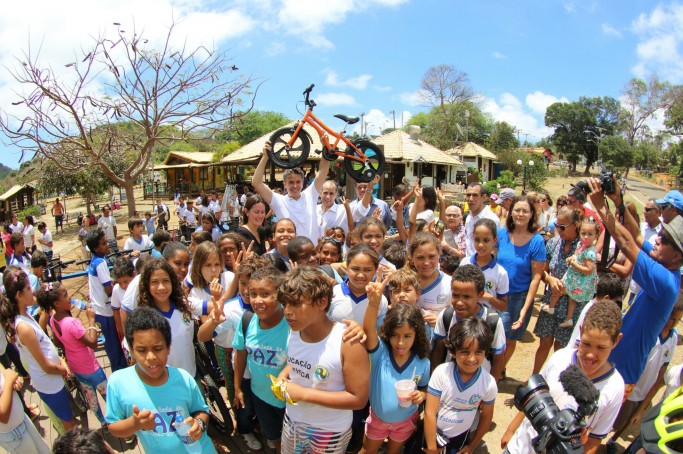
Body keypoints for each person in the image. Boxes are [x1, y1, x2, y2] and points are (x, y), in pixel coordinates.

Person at [587, 176, 683, 398]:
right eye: (660, 235)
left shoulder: (665, 280)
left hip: (621, 370)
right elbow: (638, 236)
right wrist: (619, 203)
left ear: (678, 255)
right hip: (618, 361)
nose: (657, 240)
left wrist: (601, 206)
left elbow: (628, 243)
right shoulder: (666, 265)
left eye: (665, 240)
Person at [502, 300, 625, 454]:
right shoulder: (560, 358)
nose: (591, 354)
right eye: (586, 344)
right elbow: (536, 397)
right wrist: (511, 429)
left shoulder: (615, 388)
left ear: (616, 341)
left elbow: (594, 441)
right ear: (580, 331)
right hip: (519, 448)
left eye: (601, 347)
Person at [277, 266, 370, 454]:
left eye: (295, 303)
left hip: (329, 431)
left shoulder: (348, 342)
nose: (287, 311)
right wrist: (283, 375)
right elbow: (297, 362)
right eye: (284, 304)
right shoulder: (294, 330)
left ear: (322, 302)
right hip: (292, 421)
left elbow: (358, 399)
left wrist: (303, 394)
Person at [105, 307, 217, 453]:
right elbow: (113, 426)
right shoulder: (118, 383)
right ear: (131, 350)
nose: (151, 357)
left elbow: (201, 410)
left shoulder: (183, 378)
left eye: (158, 348)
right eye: (142, 350)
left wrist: (199, 423)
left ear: (168, 348)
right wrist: (135, 423)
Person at [199, 255, 270, 450]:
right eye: (243, 283)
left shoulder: (273, 305)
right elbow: (203, 336)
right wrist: (214, 321)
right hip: (236, 360)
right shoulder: (231, 310)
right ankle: (244, 429)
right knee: (240, 397)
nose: (247, 291)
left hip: (266, 366)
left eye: (253, 284)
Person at [0, 269, 75, 432]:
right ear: (19, 295)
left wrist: (60, 361)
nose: (32, 290)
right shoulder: (23, 326)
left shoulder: (24, 315)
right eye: (28, 288)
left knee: (68, 419)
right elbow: (46, 366)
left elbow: (40, 339)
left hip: (53, 378)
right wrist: (64, 368)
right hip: (50, 382)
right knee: (70, 424)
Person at [362, 274, 430, 454]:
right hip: (377, 420)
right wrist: (373, 303)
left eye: (407, 336)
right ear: (387, 333)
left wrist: (421, 396)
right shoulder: (380, 353)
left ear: (417, 335)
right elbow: (368, 329)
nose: (400, 342)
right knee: (368, 450)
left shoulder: (422, 362)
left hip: (406, 422)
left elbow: (425, 388)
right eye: (395, 335)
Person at [606, 301, 683, 453]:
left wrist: (655, 384)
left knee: (628, 419)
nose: (674, 323)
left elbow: (664, 366)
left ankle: (612, 440)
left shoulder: (673, 338)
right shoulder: (651, 331)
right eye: (672, 318)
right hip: (631, 381)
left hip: (645, 388)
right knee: (612, 412)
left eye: (678, 320)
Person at [232, 267, 289, 451]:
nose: (258, 301)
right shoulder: (247, 321)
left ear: (280, 295)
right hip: (261, 397)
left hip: (291, 401)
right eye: (253, 294)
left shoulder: (293, 324)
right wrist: (237, 387)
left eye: (265, 294)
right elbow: (241, 354)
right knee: (275, 437)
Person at [36, 282, 108, 426]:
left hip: (76, 368)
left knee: (91, 397)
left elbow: (57, 342)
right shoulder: (72, 323)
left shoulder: (53, 320)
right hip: (91, 368)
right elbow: (93, 343)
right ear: (57, 303)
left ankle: (103, 423)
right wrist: (91, 319)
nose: (69, 298)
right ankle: (118, 423)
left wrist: (70, 344)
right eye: (65, 295)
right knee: (108, 396)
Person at [425, 317, 497, 454]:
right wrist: (432, 448)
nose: (471, 359)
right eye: (464, 352)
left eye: (478, 352)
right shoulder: (441, 373)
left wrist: (472, 446)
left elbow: (487, 417)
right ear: (453, 351)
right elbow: (429, 412)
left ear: (485, 352)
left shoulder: (488, 383)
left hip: (460, 438)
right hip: (431, 434)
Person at [138, 259, 213, 378]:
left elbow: (214, 306)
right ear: (146, 285)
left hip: (191, 376)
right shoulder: (143, 318)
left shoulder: (184, 304)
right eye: (155, 282)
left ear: (173, 282)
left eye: (166, 281)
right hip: (163, 383)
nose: (161, 287)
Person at [431, 264, 506, 381]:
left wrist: (490, 390)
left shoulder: (492, 321)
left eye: (466, 297)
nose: (459, 302)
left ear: (480, 295)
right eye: (455, 295)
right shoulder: (446, 316)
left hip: (479, 386)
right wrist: (435, 380)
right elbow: (438, 351)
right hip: (449, 383)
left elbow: (498, 359)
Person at [496, 196, 546, 369]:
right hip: (495, 294)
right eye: (517, 210)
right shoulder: (501, 234)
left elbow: (536, 278)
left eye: (525, 211)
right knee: (492, 335)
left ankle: (498, 371)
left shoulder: (537, 241)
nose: (521, 214)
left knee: (508, 338)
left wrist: (525, 308)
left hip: (518, 297)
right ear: (511, 212)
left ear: (532, 214)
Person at [531, 206, 582, 375]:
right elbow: (542, 271)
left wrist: (569, 290)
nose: (558, 230)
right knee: (544, 342)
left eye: (562, 227)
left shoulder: (583, 249)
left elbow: (588, 278)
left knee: (561, 347)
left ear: (575, 225)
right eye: (556, 225)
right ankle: (534, 377)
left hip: (570, 304)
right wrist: (550, 279)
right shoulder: (553, 243)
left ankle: (554, 381)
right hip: (551, 300)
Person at [252, 142, 331, 243]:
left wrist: (325, 147)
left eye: (298, 182)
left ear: (303, 183)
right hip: (290, 255)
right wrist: (265, 157)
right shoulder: (279, 201)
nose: (295, 186)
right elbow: (256, 183)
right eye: (291, 182)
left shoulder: (310, 194)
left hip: (311, 254)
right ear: (285, 184)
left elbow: (323, 171)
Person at [542, 216, 599, 329]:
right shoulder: (581, 245)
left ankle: (551, 307)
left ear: (596, 235)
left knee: (558, 288)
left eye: (590, 234)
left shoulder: (590, 253)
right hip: (575, 278)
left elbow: (588, 270)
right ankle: (568, 319)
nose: (586, 237)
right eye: (583, 233)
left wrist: (574, 264)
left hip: (578, 281)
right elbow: (577, 255)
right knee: (571, 299)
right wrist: (573, 257)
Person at [86, 229, 127, 372]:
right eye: (104, 244)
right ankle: (119, 370)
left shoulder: (94, 261)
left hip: (99, 308)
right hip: (106, 311)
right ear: (96, 248)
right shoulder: (100, 263)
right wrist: (117, 285)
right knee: (114, 344)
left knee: (110, 342)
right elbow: (108, 289)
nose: (107, 245)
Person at [329, 244, 388, 325]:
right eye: (355, 269)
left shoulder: (381, 300)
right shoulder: (332, 294)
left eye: (367, 270)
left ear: (375, 270)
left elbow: (378, 333)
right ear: (347, 267)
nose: (360, 275)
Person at [0, 363, 50, 453]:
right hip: (14, 434)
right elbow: (3, 415)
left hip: (21, 418)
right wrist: (8, 381)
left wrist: (11, 377)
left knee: (45, 451)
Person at [462, 218, 509, 314]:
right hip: (465, 317)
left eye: (486, 240)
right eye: (477, 240)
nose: (480, 245)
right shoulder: (465, 263)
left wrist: (489, 297)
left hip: (487, 321)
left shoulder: (500, 273)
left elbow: (503, 306)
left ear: (494, 240)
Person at [567, 273, 625, 349]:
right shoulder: (594, 313)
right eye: (615, 301)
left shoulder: (592, 305)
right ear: (606, 298)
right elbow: (578, 344)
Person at [409, 232, 452, 336]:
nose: (426, 263)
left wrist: (441, 322)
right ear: (411, 257)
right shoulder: (406, 284)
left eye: (431, 256)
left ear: (439, 254)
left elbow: (458, 318)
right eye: (420, 258)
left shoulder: (450, 284)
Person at [464, 183, 501, 257]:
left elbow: (496, 247)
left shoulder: (492, 219)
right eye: (468, 195)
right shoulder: (469, 218)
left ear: (483, 197)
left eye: (475, 195)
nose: (470, 199)